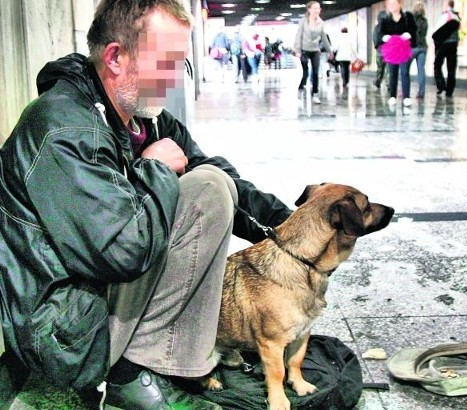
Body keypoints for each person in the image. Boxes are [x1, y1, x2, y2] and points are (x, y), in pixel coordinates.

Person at [0, 1, 292, 409]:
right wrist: (154, 169)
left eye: (181, 64)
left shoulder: (142, 117)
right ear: (116, 57)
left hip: (99, 297)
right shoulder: (62, 127)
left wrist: (288, 226)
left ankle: (165, 364)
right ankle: (128, 376)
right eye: (166, 62)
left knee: (212, 184)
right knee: (205, 192)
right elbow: (119, 251)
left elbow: (218, 174)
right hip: (61, 329)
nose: (173, 79)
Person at [379, 0, 417, 107]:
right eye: (390, 4)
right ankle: (392, 96)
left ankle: (406, 97)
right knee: (392, 72)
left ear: (400, 4)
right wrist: (384, 37)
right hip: (392, 49)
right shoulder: (385, 19)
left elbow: (413, 29)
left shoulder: (407, 17)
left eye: (394, 3)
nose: (392, 6)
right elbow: (381, 32)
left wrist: (408, 34)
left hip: (404, 48)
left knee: (404, 72)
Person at [293, 0, 332, 104]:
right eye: (314, 8)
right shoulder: (303, 21)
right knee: (305, 72)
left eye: (318, 8)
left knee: (315, 72)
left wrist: (330, 51)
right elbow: (299, 36)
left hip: (315, 50)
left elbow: (324, 38)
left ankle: (315, 94)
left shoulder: (321, 23)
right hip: (304, 50)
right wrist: (297, 50)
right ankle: (300, 89)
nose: (317, 10)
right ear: (309, 9)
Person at [432, 0, 460, 97]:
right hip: (453, 45)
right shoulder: (457, 17)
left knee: (437, 65)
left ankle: (441, 85)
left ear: (447, 5)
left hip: (444, 44)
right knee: (451, 69)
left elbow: (437, 32)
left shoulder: (445, 15)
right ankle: (449, 91)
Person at [410, 1, 428, 99]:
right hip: (423, 47)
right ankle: (421, 93)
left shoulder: (411, 20)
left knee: (404, 68)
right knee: (421, 70)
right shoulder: (425, 21)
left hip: (413, 48)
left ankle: (403, 90)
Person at [372, 10, 388, 90]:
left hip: (379, 51)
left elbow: (375, 39)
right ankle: (389, 85)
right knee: (388, 69)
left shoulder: (376, 28)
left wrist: (377, 46)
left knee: (380, 69)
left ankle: (378, 81)